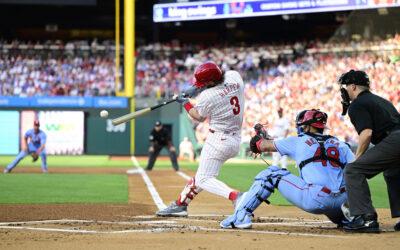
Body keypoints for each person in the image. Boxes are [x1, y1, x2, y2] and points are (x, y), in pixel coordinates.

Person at [220, 109, 355, 229]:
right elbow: (356, 170)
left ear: (307, 127)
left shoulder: (298, 141)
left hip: (316, 199)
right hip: (344, 200)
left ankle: (240, 217)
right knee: (334, 193)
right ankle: (350, 218)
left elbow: (262, 146)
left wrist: (257, 140)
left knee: (272, 173)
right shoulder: (340, 144)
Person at [156, 61, 245, 217]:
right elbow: (217, 84)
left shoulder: (207, 96)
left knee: (204, 179)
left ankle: (235, 196)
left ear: (209, 82)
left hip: (218, 140)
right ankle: (180, 204)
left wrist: (186, 103)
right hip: (235, 139)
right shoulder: (234, 76)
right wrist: (196, 88)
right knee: (203, 174)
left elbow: (198, 116)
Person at [338, 69, 400, 233]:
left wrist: (357, 159)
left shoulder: (357, 104)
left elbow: (366, 133)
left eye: (345, 87)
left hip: (394, 141)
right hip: (396, 138)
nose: (344, 91)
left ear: (353, 86)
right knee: (393, 173)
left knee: (353, 170)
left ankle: (366, 219)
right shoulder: (381, 100)